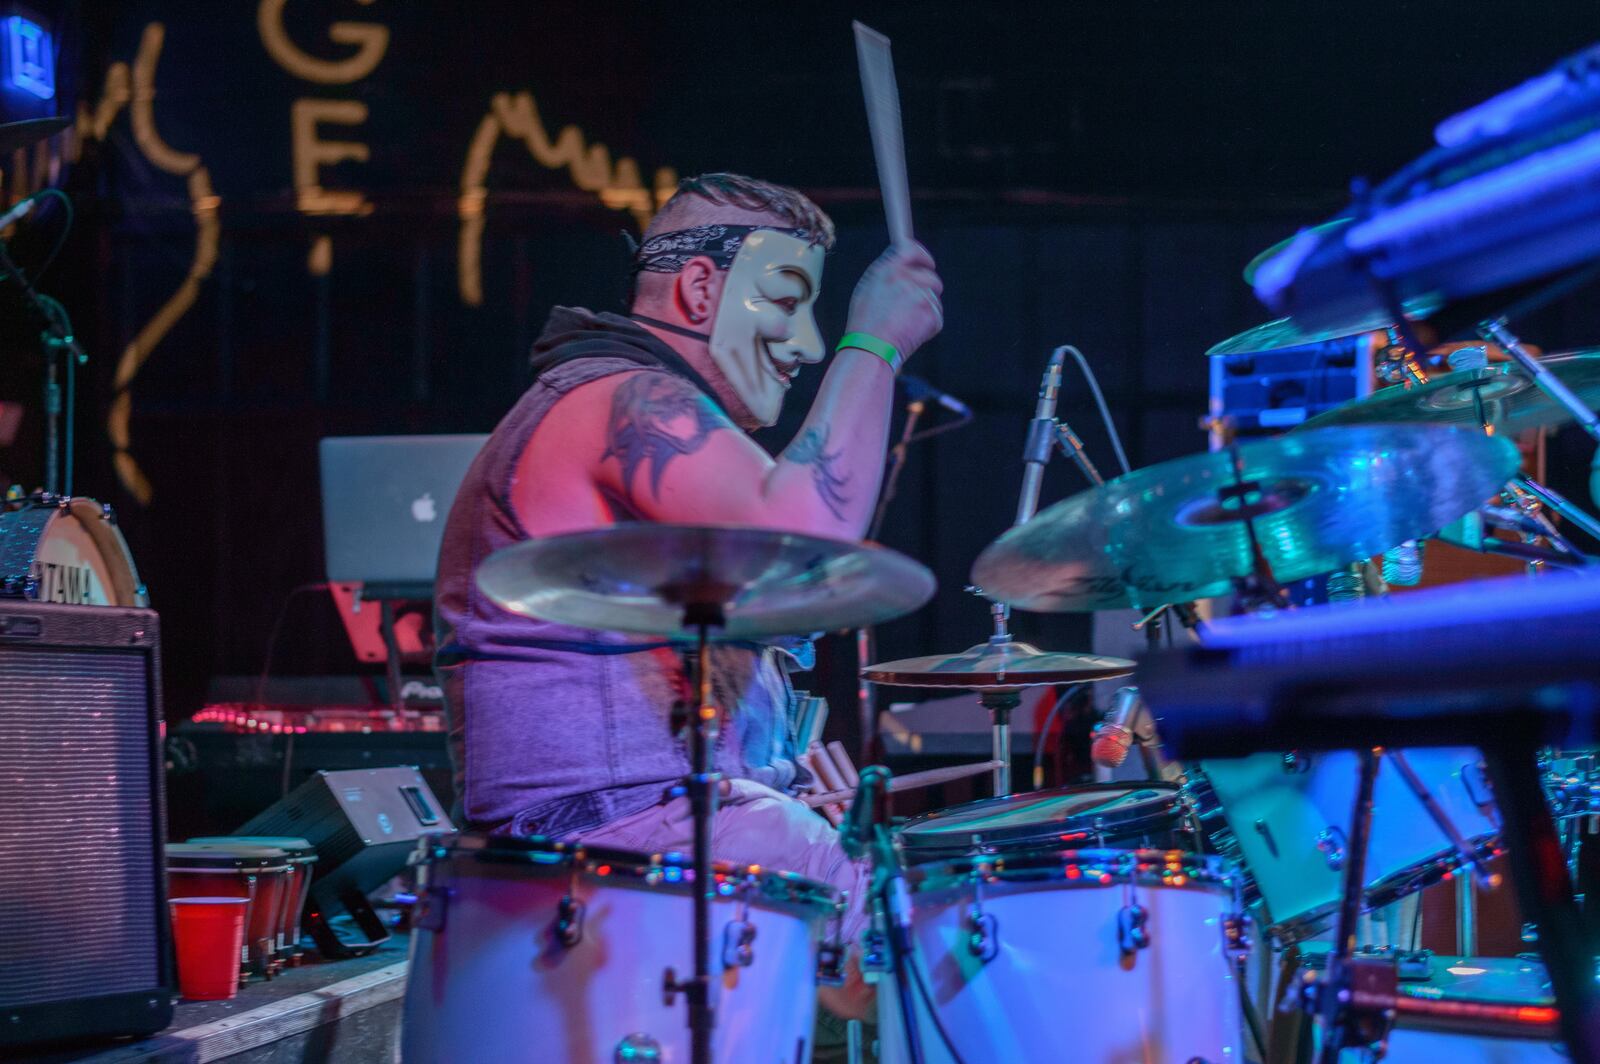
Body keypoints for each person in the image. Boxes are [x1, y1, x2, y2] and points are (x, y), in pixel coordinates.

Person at [434, 172, 944, 1022]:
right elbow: (804, 531)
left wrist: (773, 774)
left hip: (611, 848)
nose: (807, 344)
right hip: (602, 852)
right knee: (934, 974)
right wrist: (876, 344)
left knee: (880, 975)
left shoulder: (614, 402)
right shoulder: (620, 397)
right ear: (703, 288)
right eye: (787, 302)